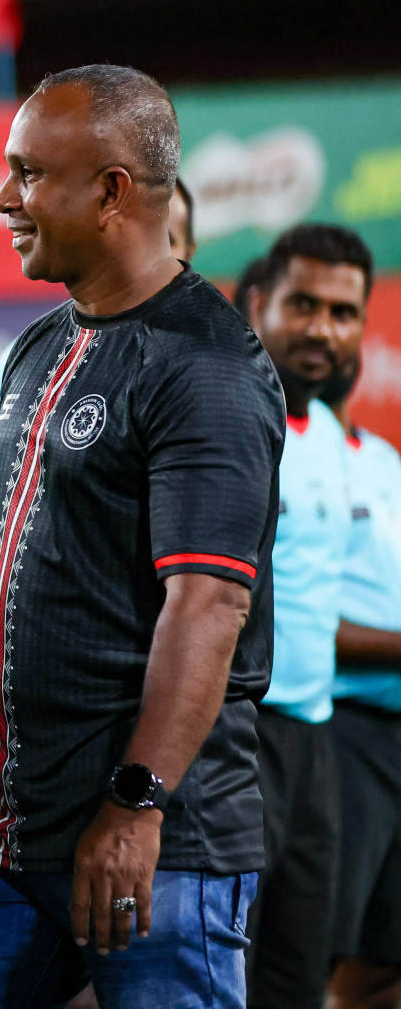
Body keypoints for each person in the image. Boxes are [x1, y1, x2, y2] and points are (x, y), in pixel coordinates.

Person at [0, 65, 282, 1009]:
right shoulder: (39, 346)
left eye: (28, 173)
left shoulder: (207, 365)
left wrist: (137, 802)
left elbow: (210, 602)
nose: (3, 197)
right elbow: (13, 574)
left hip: (153, 838)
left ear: (110, 192)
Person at [0, 178, 197, 608]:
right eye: (136, 236)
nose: (148, 256)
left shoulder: (219, 370)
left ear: (189, 252)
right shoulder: (26, 367)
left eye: (165, 240)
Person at [237, 224, 372, 1009]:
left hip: (317, 742)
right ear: (260, 303)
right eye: (304, 305)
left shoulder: (325, 432)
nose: (323, 328)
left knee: (300, 973)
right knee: (220, 972)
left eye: (343, 312)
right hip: (236, 734)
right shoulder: (222, 407)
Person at [312, 354, 401, 1009]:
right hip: (339, 733)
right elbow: (290, 613)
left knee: (383, 963)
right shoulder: (280, 450)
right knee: (311, 955)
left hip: (394, 735)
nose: (329, 334)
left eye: (346, 314)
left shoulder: (382, 457)